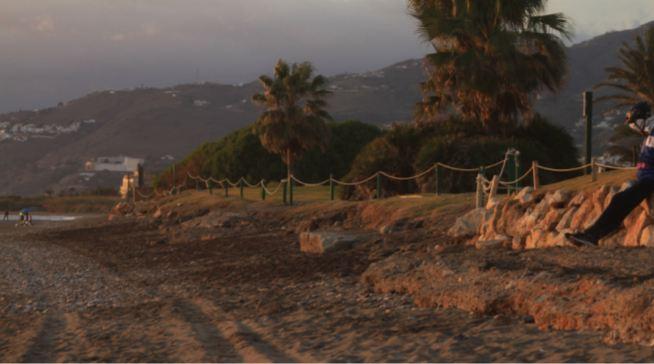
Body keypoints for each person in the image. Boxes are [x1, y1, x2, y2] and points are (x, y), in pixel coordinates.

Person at [567, 101, 653, 246]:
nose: (633, 128)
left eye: (633, 124)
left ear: (641, 120)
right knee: (620, 199)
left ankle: (592, 235)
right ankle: (591, 234)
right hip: (646, 178)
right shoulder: (648, 135)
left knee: (620, 201)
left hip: (650, 180)